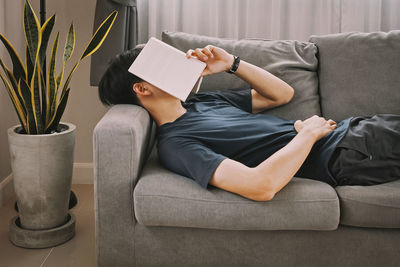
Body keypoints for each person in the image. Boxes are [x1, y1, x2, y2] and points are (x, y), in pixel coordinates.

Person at [98, 45, 400, 201]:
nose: (179, 61)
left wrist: (232, 64)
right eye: (163, 63)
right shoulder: (176, 144)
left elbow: (282, 94)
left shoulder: (202, 102)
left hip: (355, 131)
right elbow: (260, 186)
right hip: (344, 153)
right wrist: (306, 135)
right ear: (142, 88)